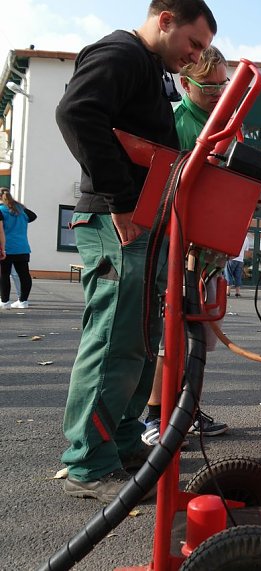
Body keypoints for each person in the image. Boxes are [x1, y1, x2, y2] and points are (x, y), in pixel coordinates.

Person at [55, 0, 216, 502]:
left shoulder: (147, 68)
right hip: (116, 219)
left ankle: (121, 445)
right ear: (164, 19)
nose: (195, 58)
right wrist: (123, 201)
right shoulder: (120, 53)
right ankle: (87, 463)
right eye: (193, 44)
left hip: (144, 219)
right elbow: (76, 113)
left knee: (144, 337)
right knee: (115, 337)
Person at [141, 45, 230, 447]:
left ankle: (187, 407)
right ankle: (155, 415)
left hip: (209, 251)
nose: (217, 93)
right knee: (171, 337)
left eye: (222, 85)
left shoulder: (222, 122)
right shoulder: (178, 123)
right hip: (182, 246)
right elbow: (169, 188)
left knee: (200, 338)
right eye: (208, 86)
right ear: (184, 82)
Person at [0, 187, 33, 309]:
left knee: (4, 274)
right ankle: (23, 301)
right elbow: (33, 216)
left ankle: (5, 301)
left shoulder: (1, 210)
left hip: (7, 247)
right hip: (23, 247)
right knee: (24, 275)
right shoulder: (21, 209)